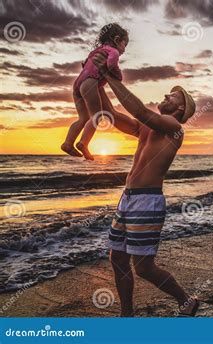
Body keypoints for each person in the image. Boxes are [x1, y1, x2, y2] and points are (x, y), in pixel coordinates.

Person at [92, 51, 199, 317]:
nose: (166, 96)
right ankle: (127, 314)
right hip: (127, 198)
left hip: (147, 200)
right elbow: (110, 115)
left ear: (181, 108)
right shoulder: (146, 128)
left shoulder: (174, 127)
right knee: (116, 258)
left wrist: (109, 75)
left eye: (172, 96)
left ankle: (186, 300)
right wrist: (98, 84)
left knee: (143, 267)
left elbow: (138, 109)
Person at [61, 23, 128, 161]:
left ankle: (68, 143)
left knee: (83, 118)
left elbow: (86, 63)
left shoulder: (96, 51)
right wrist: (119, 75)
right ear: (116, 39)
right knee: (96, 116)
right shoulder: (113, 52)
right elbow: (111, 65)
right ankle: (83, 143)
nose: (124, 50)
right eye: (124, 44)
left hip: (78, 85)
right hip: (91, 82)